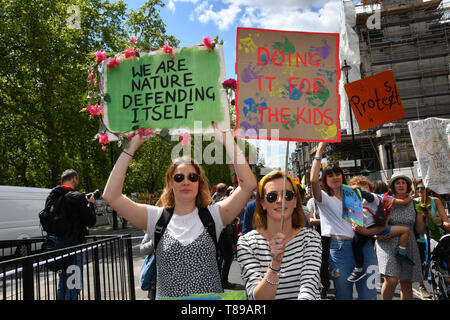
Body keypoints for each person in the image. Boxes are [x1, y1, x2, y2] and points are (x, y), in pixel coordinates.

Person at [102, 125, 256, 299]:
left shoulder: (214, 216)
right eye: (179, 177)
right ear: (171, 183)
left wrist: (227, 140)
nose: (186, 182)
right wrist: (131, 148)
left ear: (199, 182)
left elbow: (248, 185)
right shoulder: (155, 218)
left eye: (192, 177)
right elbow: (111, 196)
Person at [237, 170, 322, 300]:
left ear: (295, 201)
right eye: (272, 196)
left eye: (287, 195)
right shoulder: (247, 243)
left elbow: (308, 288)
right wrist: (275, 264)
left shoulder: (310, 239)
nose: (280, 200)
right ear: (262, 203)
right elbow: (256, 297)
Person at [310, 142, 378, 300]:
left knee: (369, 296)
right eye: (330, 175)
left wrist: (367, 232)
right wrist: (320, 149)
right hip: (340, 250)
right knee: (344, 296)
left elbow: (378, 220)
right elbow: (313, 181)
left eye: (337, 174)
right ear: (324, 179)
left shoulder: (354, 194)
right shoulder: (324, 198)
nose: (335, 177)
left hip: (365, 248)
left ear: (343, 176)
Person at [347, 176, 414, 283]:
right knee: (358, 246)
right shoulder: (358, 201)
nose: (357, 191)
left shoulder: (373, 196)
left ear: (367, 187)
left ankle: (359, 268)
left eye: (360, 188)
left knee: (356, 244)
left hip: (375, 227)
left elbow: (368, 196)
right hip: (370, 230)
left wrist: (359, 190)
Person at [46, 169, 96, 300]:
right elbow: (90, 221)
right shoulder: (77, 197)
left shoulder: (52, 197)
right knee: (73, 284)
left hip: (57, 246)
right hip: (75, 245)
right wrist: (90, 205)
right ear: (74, 179)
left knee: (62, 281)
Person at [375, 173, 427, 300]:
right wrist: (375, 235)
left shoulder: (415, 204)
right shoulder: (385, 201)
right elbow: (375, 222)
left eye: (404, 182)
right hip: (387, 241)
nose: (401, 185)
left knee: (406, 281)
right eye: (398, 183)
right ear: (392, 186)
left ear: (408, 186)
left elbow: (420, 229)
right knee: (391, 280)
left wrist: (427, 218)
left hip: (408, 244)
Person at [414, 179, 450, 299]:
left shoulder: (436, 201)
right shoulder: (414, 202)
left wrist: (444, 223)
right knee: (422, 263)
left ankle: (439, 290)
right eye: (418, 188)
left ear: (427, 189)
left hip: (436, 236)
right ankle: (421, 286)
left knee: (437, 265)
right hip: (420, 238)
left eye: (422, 188)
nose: (420, 191)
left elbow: (445, 218)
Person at [306, 190, 331, 299]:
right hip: (320, 234)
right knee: (323, 263)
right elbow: (311, 220)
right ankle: (325, 286)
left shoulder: (330, 200)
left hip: (334, 234)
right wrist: (325, 220)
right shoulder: (312, 202)